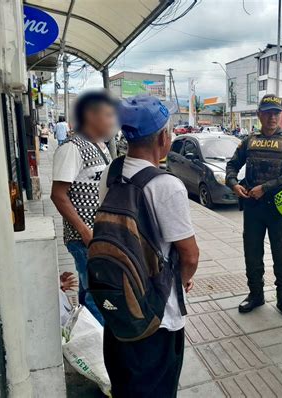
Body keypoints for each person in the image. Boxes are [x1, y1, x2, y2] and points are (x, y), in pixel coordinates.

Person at [98, 95, 199, 397]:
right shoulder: (166, 186)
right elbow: (190, 255)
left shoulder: (112, 172)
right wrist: (180, 279)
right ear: (164, 138)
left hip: (118, 306)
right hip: (158, 321)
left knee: (125, 387)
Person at [226, 94, 282, 321]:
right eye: (267, 112)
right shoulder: (249, 141)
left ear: (281, 115)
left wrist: (265, 188)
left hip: (280, 209)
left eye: (276, 113)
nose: (272, 117)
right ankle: (256, 295)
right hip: (253, 208)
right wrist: (233, 184)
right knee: (252, 254)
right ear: (259, 114)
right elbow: (231, 165)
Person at [50, 90, 116, 324]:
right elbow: (58, 195)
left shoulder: (100, 144)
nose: (112, 121)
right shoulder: (72, 148)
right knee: (97, 294)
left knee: (91, 289)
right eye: (108, 115)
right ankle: (100, 345)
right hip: (84, 238)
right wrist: (85, 232)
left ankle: (87, 334)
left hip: (99, 234)